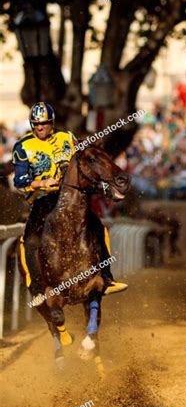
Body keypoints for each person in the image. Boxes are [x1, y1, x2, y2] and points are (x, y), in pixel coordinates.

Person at [12, 102, 128, 307]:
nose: (40, 128)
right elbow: (19, 182)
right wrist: (42, 182)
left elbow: (84, 160)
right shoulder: (23, 147)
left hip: (72, 197)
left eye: (44, 124)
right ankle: (38, 288)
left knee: (98, 228)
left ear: (52, 123)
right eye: (36, 124)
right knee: (29, 240)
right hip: (42, 201)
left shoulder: (67, 138)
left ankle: (107, 278)